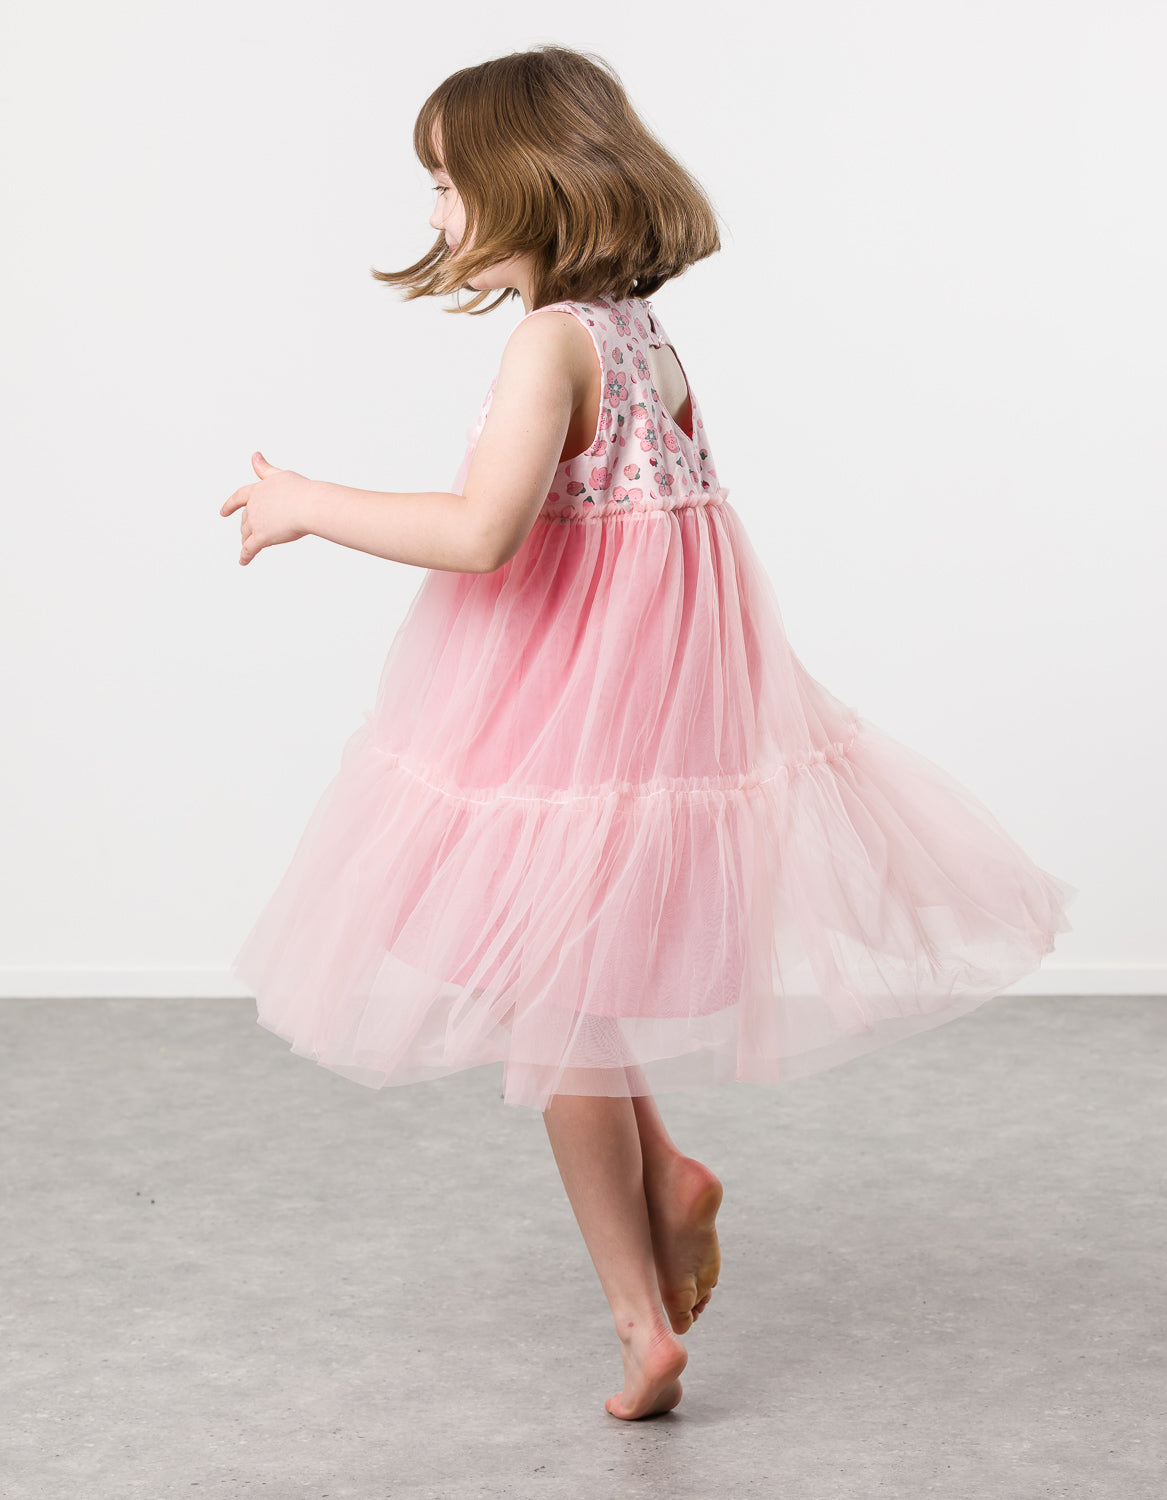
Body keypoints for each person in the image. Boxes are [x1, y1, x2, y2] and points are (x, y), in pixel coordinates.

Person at [220, 44, 1077, 1421]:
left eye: (447, 181)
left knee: (553, 1016)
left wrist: (307, 503)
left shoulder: (550, 343)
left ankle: (641, 1326)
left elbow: (484, 533)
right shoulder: (642, 337)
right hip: (624, 707)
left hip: (570, 717)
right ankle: (668, 1170)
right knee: (570, 986)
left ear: (524, 180)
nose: (436, 211)